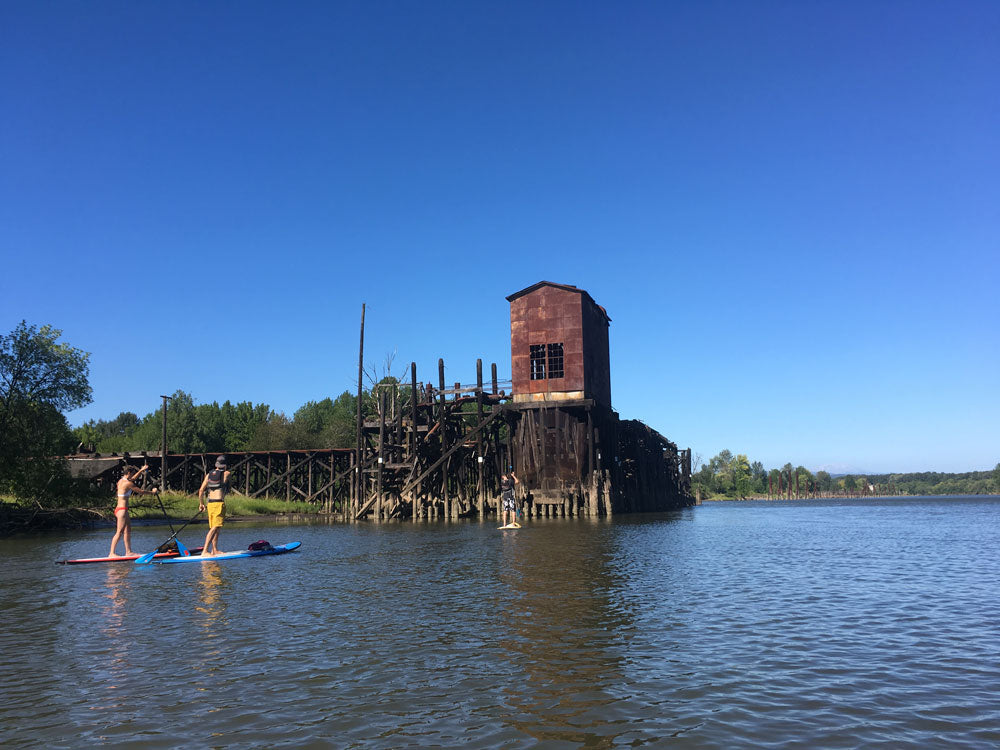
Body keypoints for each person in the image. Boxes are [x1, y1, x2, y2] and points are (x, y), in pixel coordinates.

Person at [109, 463, 158, 557]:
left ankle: (128, 552)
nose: (133, 476)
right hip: (122, 510)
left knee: (128, 530)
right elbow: (141, 491)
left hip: (121, 509)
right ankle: (111, 553)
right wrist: (153, 492)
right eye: (132, 474)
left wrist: (141, 470)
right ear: (128, 473)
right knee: (119, 532)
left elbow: (133, 479)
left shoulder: (121, 481)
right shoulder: (128, 483)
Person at [198, 456, 231, 556]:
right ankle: (204, 551)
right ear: (225, 465)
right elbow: (228, 485)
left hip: (210, 504)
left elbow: (200, 491)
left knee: (216, 528)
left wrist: (201, 504)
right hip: (218, 504)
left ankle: (214, 550)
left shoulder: (208, 475)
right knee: (215, 527)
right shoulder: (227, 473)